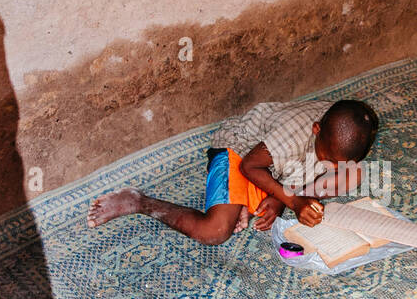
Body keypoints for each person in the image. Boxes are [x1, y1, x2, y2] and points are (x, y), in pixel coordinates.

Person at [87, 98, 379, 244]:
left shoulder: (343, 122)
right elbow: (249, 165)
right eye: (327, 158)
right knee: (214, 231)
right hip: (242, 152)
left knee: (355, 176)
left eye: (335, 162)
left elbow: (336, 157)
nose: (329, 166)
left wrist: (280, 197)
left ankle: (254, 198)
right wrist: (292, 201)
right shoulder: (295, 135)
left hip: (278, 166)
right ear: (317, 130)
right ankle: (139, 201)